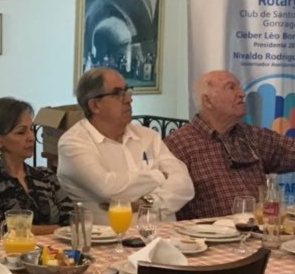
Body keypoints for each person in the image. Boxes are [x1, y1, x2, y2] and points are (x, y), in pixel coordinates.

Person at [167, 70, 295, 220]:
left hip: (258, 235)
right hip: (208, 244)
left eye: (239, 87)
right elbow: (167, 204)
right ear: (208, 101)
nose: (242, 93)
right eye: (231, 87)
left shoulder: (251, 135)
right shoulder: (178, 145)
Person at [57, 67, 194, 218]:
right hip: (109, 233)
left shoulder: (148, 136)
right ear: (95, 105)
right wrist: (159, 176)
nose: (129, 99)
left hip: (164, 232)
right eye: (117, 94)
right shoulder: (73, 143)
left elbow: (184, 185)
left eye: (127, 91)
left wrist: (146, 202)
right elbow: (109, 190)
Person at [0, 96, 72, 228]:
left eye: (31, 129)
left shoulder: (45, 176)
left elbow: (72, 219)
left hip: (55, 243)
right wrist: (56, 229)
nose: (31, 137)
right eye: (21, 132)